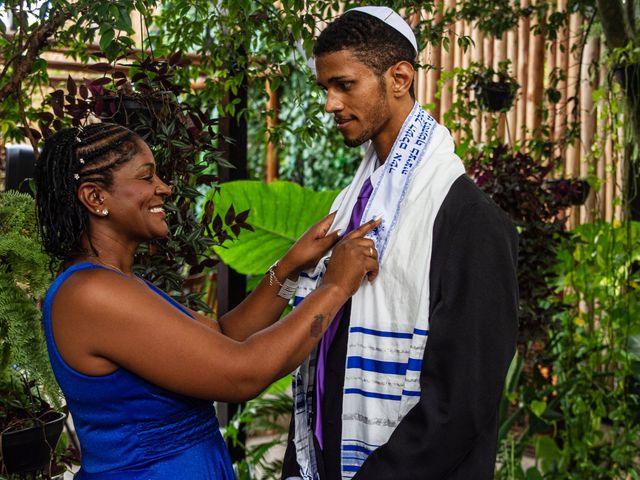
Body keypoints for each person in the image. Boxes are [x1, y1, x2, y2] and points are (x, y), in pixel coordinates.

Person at [34, 122, 380, 480]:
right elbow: (242, 374)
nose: (164, 189)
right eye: (146, 177)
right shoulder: (91, 293)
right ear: (95, 197)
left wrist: (290, 267)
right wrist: (335, 288)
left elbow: (226, 335)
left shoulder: (116, 283)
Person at [282, 6, 519, 480]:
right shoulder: (356, 202)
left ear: (400, 77)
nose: (329, 103)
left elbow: (461, 404)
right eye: (325, 88)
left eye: (344, 85)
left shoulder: (470, 221)